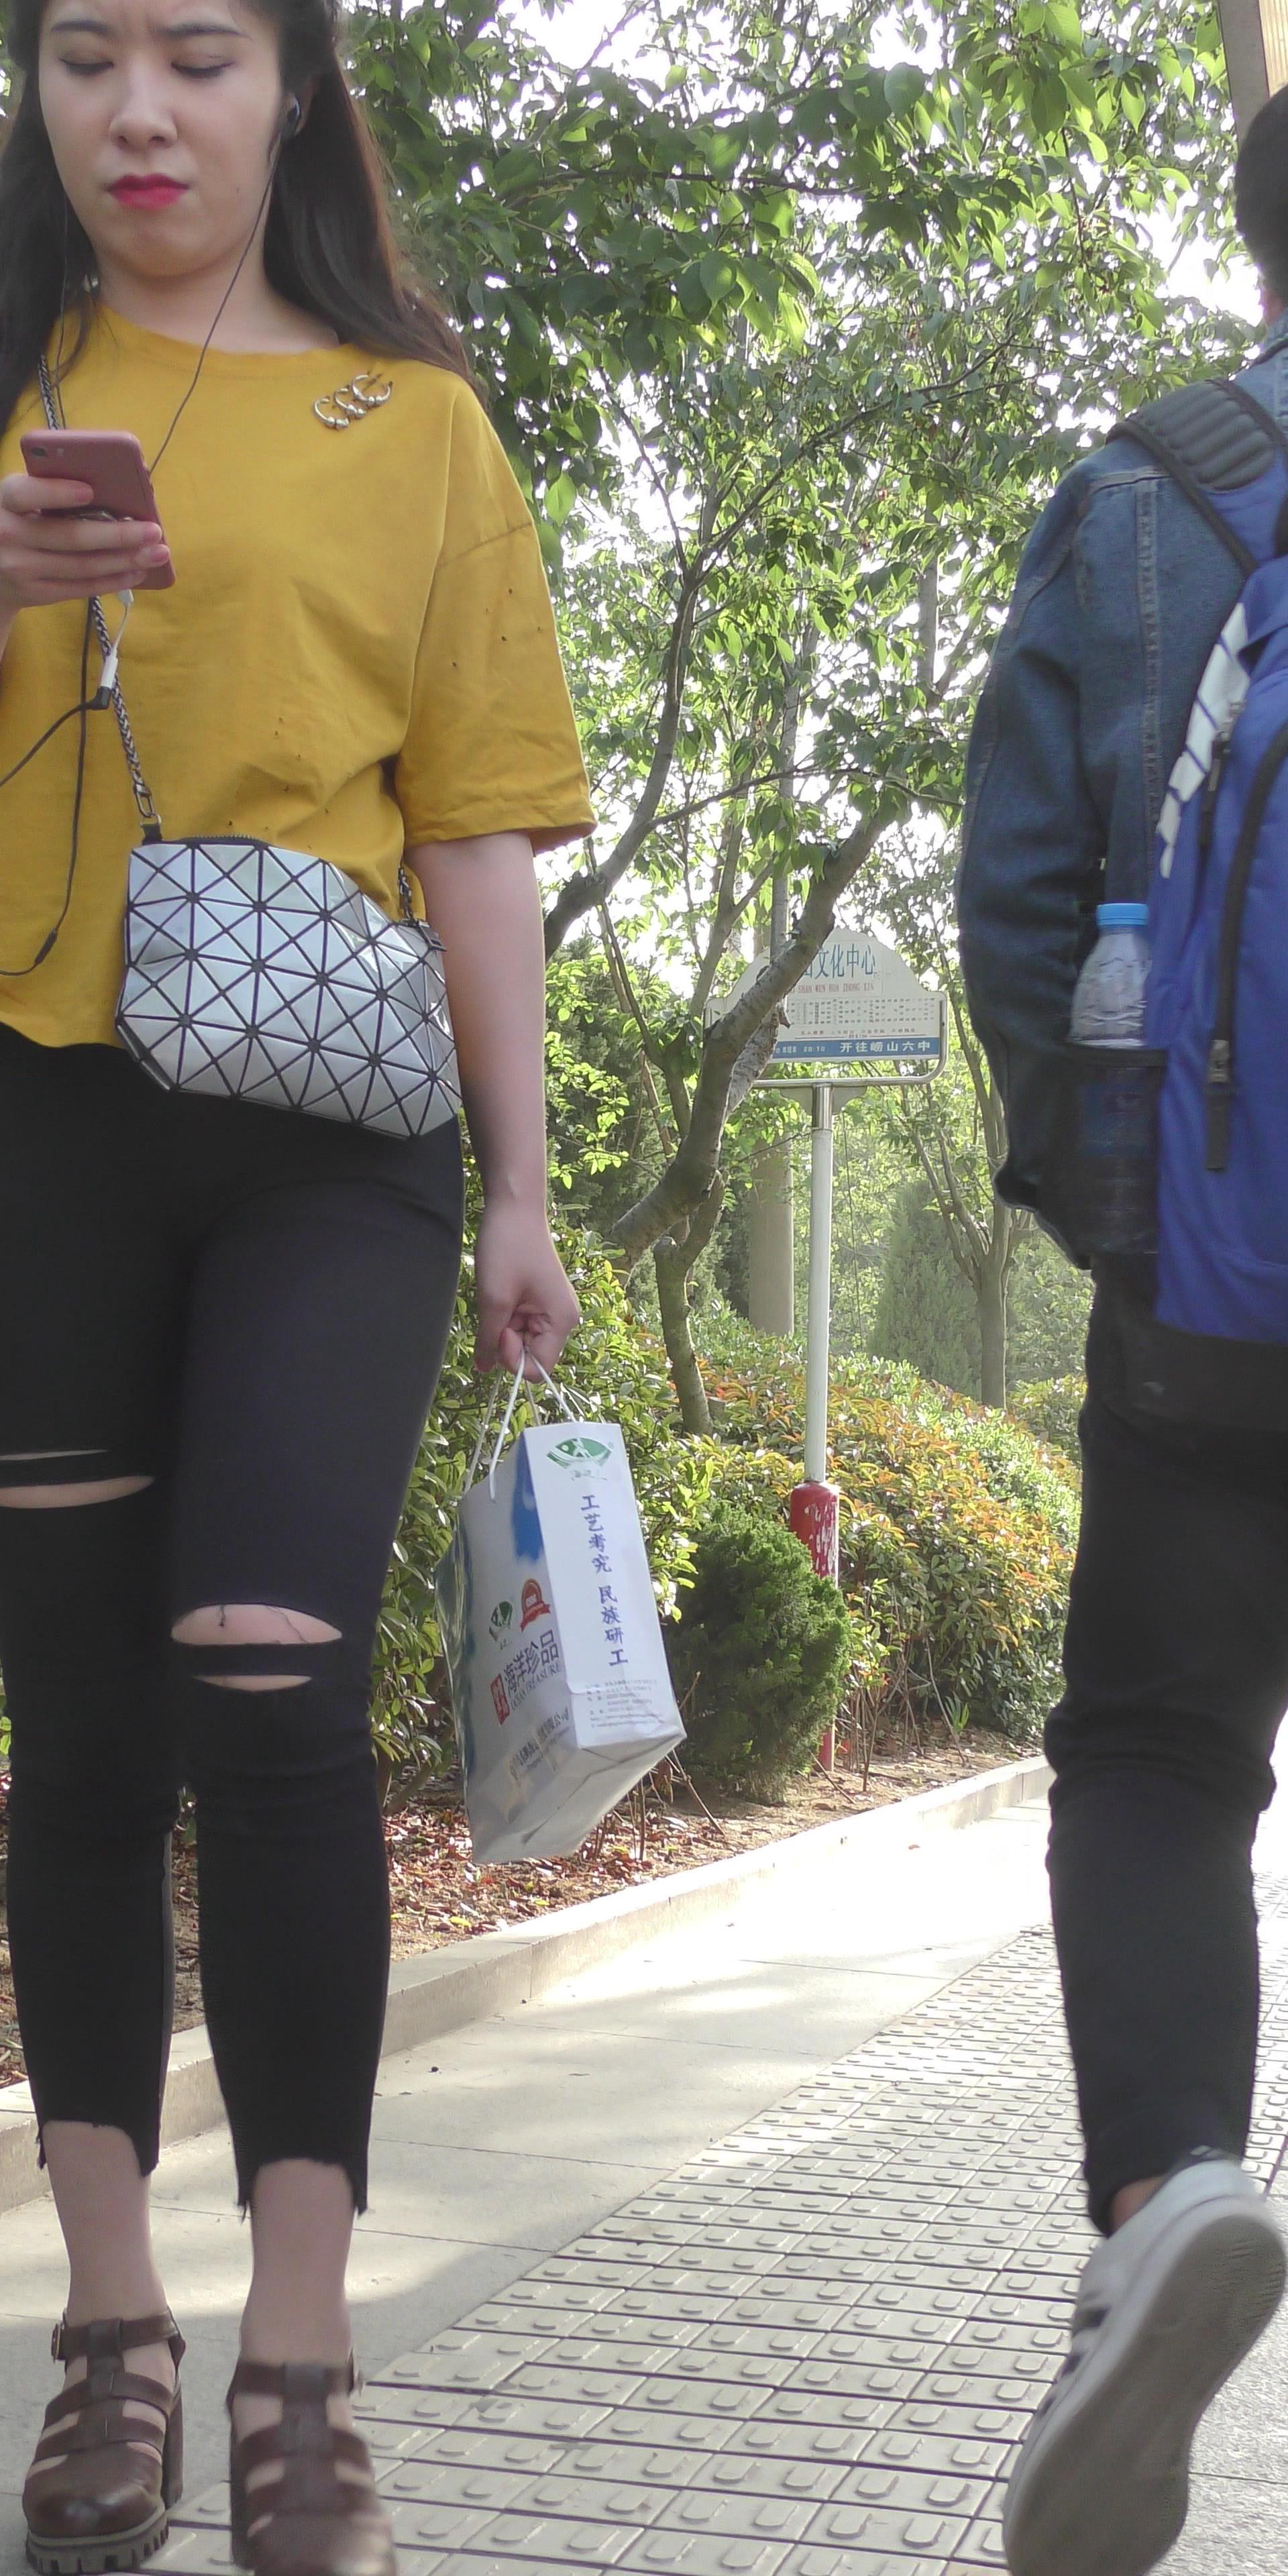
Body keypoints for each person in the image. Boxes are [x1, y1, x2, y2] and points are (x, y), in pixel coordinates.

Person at [0, 4, 594, 2571]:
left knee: (268, 1676)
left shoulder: (422, 426)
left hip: (335, 1146)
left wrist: (523, 1185)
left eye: (195, 55)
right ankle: (109, 2341)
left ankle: (298, 2357)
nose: (138, 111)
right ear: (38, 99)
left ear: (292, 94)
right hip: (35, 1123)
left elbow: (477, 833)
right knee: (84, 1738)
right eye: (84, 59)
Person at [958, 89, 1288, 2576]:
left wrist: (1124, 1208)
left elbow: (1022, 896)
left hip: (1220, 1289)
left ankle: (1170, 2189)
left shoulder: (1153, 496)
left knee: (1164, 1759)